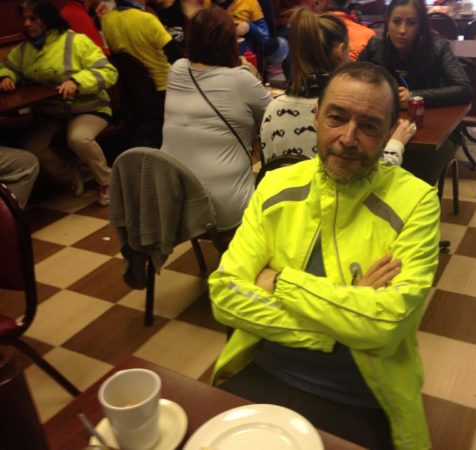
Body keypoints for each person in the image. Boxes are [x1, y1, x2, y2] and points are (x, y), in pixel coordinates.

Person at [209, 61, 439, 450]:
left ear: (390, 133)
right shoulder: (276, 185)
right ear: (316, 117)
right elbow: (224, 295)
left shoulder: (417, 202)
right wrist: (345, 318)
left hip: (362, 394)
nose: (348, 138)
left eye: (369, 126)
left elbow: (385, 326)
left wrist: (280, 282)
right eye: (337, 118)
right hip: (266, 370)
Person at [161, 7, 271, 231]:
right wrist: (252, 75)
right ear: (230, 41)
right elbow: (272, 117)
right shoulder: (241, 80)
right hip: (225, 208)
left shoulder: (176, 70)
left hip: (175, 203)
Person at [260, 7, 415, 164]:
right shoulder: (350, 110)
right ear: (341, 51)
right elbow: (372, 172)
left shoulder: (272, 109)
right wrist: (395, 144)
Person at [0, 0, 117, 205]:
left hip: (88, 107)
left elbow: (109, 72)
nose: (26, 24)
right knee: (31, 148)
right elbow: (8, 66)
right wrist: (6, 76)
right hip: (51, 112)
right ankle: (70, 174)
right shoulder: (24, 49)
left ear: (48, 18)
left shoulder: (76, 41)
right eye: (24, 19)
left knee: (78, 138)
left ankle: (107, 181)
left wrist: (77, 81)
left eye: (33, 18)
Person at [358, 0, 471, 184]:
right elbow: (357, 79)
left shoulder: (438, 46)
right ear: (387, 22)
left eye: (411, 23)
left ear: (421, 26)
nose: (402, 30)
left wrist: (414, 96)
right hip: (386, 126)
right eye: (396, 21)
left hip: (436, 132)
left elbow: (464, 89)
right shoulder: (376, 44)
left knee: (414, 171)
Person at [100, 0, 181, 92]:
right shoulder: (147, 19)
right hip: (163, 86)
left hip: (132, 89)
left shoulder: (106, 20)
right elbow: (175, 55)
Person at [201, 0, 270, 58]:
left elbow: (265, 37)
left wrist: (249, 27)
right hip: (215, 58)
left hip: (242, 58)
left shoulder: (249, 2)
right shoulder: (207, 3)